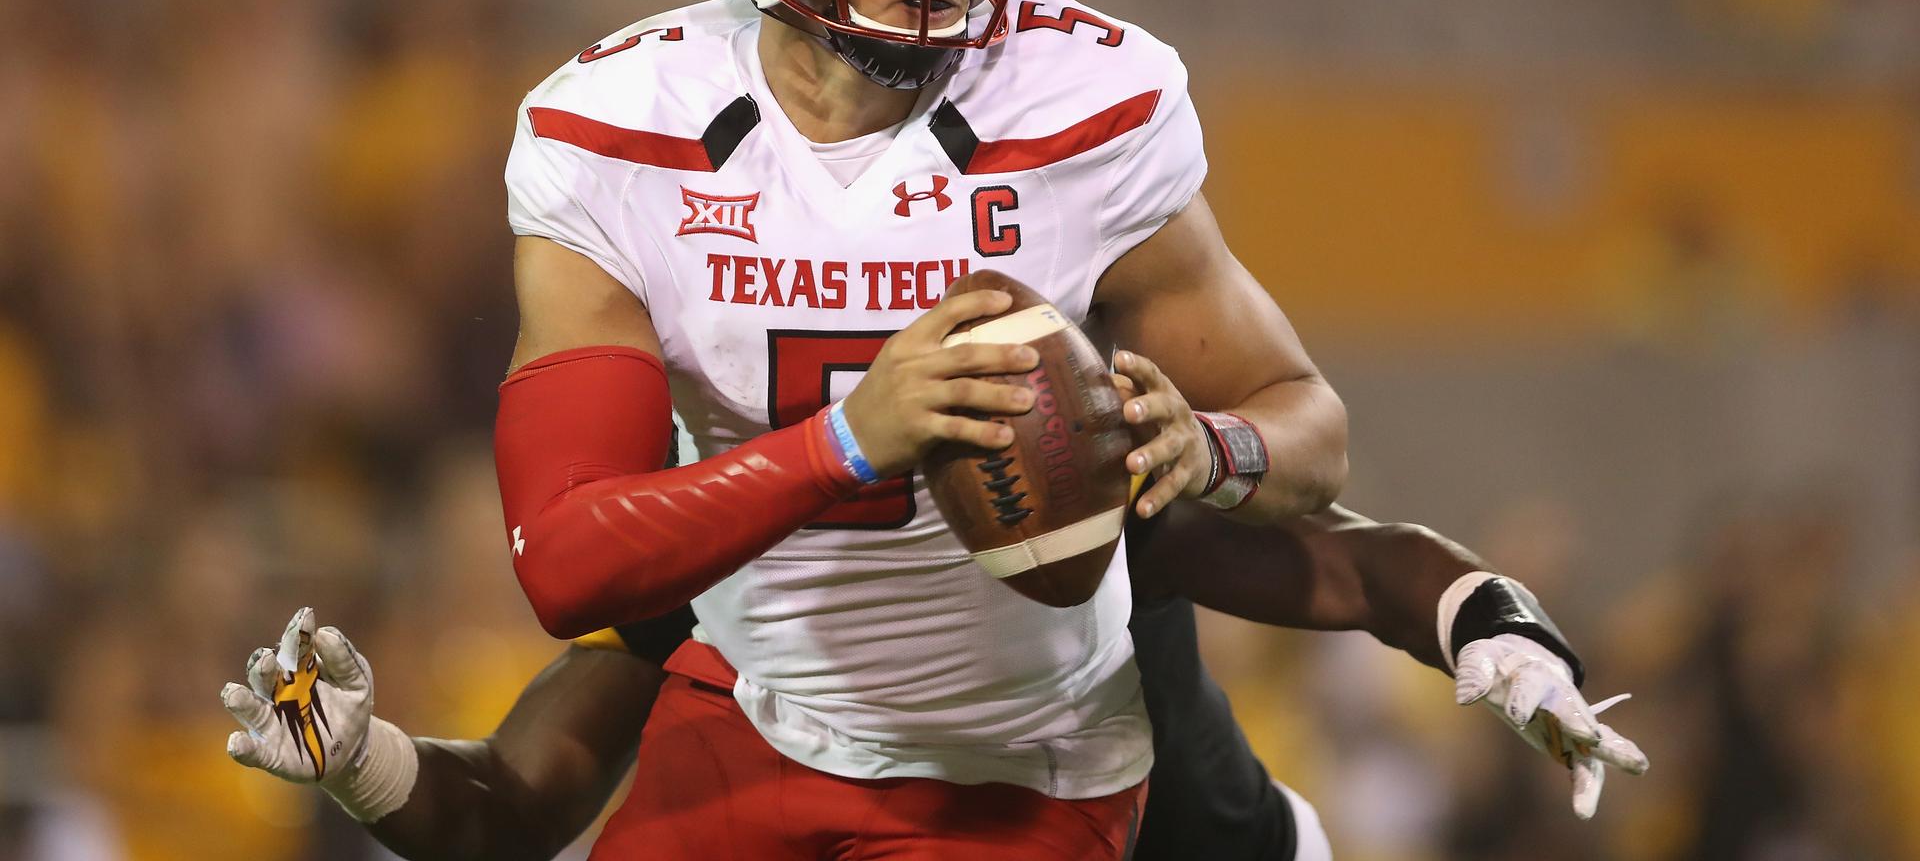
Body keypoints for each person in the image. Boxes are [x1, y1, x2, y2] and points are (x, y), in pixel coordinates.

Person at [479, 0, 1348, 857]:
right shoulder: (620, 129)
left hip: (1017, 753)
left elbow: (1306, 421)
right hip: (766, 712)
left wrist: (1214, 446)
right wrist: (848, 441)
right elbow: (565, 561)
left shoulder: (1079, 104)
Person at [219, 500, 1650, 860]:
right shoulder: (741, 547)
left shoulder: (1066, 487)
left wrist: (1498, 628)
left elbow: (1350, 564)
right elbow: (517, 808)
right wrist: (364, 758)